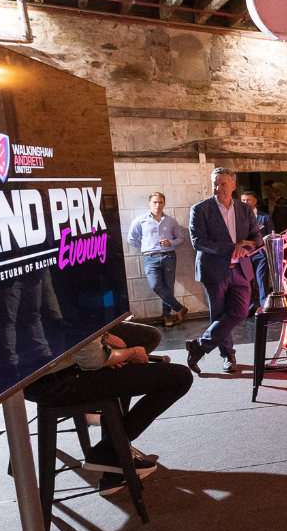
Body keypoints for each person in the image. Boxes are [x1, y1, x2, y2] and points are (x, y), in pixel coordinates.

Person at [26, 321, 193, 496]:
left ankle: (114, 451)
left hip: (39, 369)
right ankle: (110, 450)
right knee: (181, 378)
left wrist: (103, 338)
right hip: (58, 378)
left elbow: (74, 327)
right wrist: (126, 354)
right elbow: (93, 359)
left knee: (147, 337)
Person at [185, 167, 262, 374]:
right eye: (215, 184)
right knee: (219, 314)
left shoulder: (245, 210)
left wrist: (244, 247)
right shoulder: (200, 209)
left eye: (223, 184)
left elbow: (257, 238)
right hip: (214, 270)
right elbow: (198, 241)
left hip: (241, 270)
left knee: (240, 312)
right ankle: (228, 356)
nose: (218, 188)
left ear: (233, 186)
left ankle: (199, 346)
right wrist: (232, 247)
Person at [127, 192, 189, 327]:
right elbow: (131, 238)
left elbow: (181, 239)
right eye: (155, 202)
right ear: (149, 203)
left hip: (169, 256)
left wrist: (170, 243)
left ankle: (166, 317)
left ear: (164, 204)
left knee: (168, 287)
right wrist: (145, 248)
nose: (157, 205)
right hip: (150, 258)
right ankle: (179, 308)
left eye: (160, 202)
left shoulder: (171, 221)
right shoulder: (140, 220)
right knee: (156, 286)